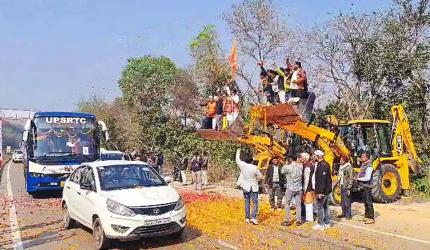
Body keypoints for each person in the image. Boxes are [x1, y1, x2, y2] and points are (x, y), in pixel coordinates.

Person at [236, 148, 263, 225]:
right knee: (255, 202)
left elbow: (237, 160)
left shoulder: (243, 165)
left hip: (245, 186)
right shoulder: (255, 168)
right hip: (253, 187)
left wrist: (238, 151)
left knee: (247, 201)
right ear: (252, 161)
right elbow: (260, 176)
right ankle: (253, 218)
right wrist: (258, 178)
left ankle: (247, 218)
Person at [312, 150, 333, 230]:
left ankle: (321, 223)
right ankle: (327, 222)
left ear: (318, 156)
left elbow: (322, 180)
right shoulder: (325, 164)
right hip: (327, 190)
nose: (314, 157)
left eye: (315, 156)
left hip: (323, 191)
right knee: (326, 207)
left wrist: (320, 192)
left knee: (320, 207)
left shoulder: (322, 165)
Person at [281, 154, 304, 226]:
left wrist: (286, 163)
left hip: (290, 188)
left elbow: (282, 171)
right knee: (298, 204)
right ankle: (298, 220)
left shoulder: (288, 167)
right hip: (299, 188)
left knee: (287, 204)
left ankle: (287, 220)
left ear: (290, 159)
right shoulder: (300, 166)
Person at [356, 152, 375, 224]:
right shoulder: (364, 165)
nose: (361, 158)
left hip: (367, 186)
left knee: (368, 202)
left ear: (367, 158)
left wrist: (358, 179)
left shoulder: (369, 166)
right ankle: (367, 216)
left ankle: (371, 217)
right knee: (365, 202)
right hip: (363, 186)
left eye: (362, 157)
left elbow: (367, 178)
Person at [338, 156, 354, 220]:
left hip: (346, 186)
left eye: (341, 160)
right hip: (342, 185)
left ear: (345, 161)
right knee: (342, 201)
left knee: (347, 201)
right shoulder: (341, 167)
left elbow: (350, 178)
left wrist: (349, 187)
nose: (340, 161)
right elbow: (340, 177)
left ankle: (348, 215)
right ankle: (343, 213)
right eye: (340, 160)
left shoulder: (348, 167)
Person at [302, 152, 315, 222]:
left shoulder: (307, 166)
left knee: (308, 203)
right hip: (310, 186)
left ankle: (309, 218)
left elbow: (306, 178)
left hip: (308, 187)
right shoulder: (308, 164)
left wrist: (305, 188)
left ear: (305, 158)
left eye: (302, 157)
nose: (300, 158)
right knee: (308, 202)